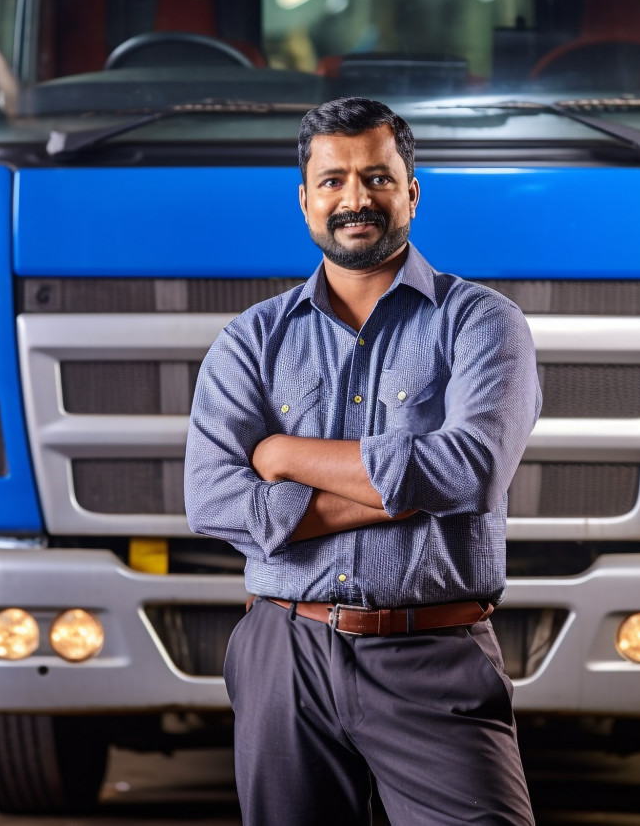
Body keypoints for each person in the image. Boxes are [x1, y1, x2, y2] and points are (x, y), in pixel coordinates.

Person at [184, 97, 541, 825]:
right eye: (333, 180)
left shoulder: (481, 323)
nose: (356, 199)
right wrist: (405, 488)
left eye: (378, 178)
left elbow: (470, 469)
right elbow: (212, 498)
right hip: (284, 651)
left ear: (412, 190)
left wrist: (283, 456)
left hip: (432, 651)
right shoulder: (252, 340)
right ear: (305, 200)